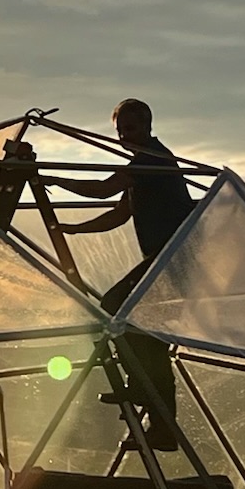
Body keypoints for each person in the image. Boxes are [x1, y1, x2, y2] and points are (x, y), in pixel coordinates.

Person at [43, 99, 197, 451]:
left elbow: (102, 189)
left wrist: (50, 177)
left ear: (147, 127)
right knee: (148, 336)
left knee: (115, 308)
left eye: (131, 129)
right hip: (168, 261)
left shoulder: (152, 161)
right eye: (121, 131)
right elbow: (119, 213)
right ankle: (161, 426)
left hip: (170, 260)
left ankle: (143, 392)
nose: (125, 136)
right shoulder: (145, 165)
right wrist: (74, 229)